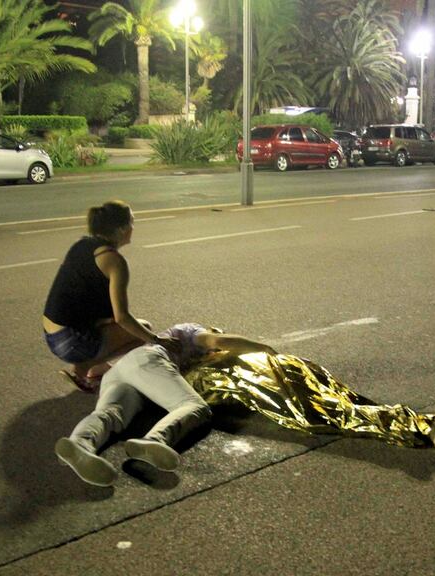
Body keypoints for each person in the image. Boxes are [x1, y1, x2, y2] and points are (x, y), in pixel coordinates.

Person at [54, 324, 274, 487]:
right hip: (147, 361)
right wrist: (262, 347)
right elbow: (217, 341)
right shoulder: (192, 331)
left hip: (120, 372)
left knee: (108, 414)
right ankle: (154, 440)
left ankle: (80, 444)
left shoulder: (172, 346)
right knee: (193, 406)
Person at [42, 200, 177, 393]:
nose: (133, 227)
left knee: (124, 327)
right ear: (122, 229)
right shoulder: (114, 261)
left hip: (52, 333)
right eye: (132, 222)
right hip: (70, 341)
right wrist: (156, 340)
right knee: (142, 331)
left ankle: (97, 368)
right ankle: (82, 369)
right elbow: (122, 317)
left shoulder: (82, 244)